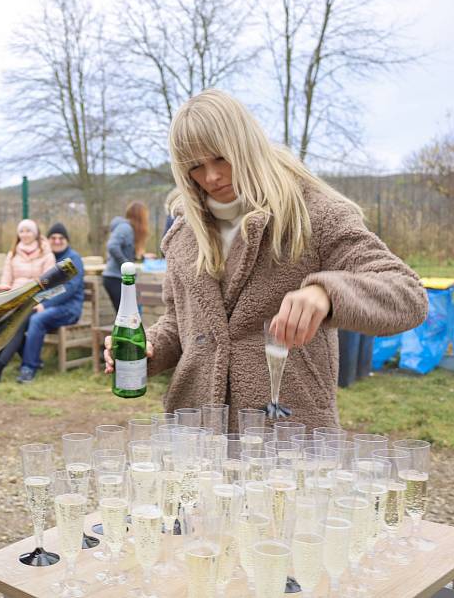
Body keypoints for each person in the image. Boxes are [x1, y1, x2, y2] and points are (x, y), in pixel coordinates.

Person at [105, 89, 427, 432]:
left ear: (246, 145)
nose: (211, 177)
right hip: (194, 435)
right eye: (196, 167)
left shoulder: (314, 213)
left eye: (221, 158)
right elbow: (179, 322)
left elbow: (407, 294)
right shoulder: (185, 233)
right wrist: (150, 346)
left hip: (287, 435)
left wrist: (327, 293)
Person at [15, 222, 85, 383]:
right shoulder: (47, 257)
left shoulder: (73, 259)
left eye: (61, 238)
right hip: (48, 306)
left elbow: (70, 288)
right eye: (53, 237)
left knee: (37, 320)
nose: (57, 241)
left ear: (67, 240)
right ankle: (29, 360)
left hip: (69, 308)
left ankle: (28, 369)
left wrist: (44, 305)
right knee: (18, 319)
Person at [0, 219, 55, 382]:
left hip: (33, 302)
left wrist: (39, 302)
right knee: (2, 327)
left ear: (36, 233)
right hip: (13, 301)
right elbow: (6, 280)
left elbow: (49, 283)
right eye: (22, 231)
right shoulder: (12, 253)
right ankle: (6, 360)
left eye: (29, 231)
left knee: (15, 328)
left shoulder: (47, 254)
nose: (25, 234)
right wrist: (4, 300)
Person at [102, 200, 149, 312]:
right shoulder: (125, 228)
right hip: (115, 278)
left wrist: (141, 257)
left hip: (120, 278)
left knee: (129, 316)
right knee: (128, 316)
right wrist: (126, 265)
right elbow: (112, 246)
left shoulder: (131, 230)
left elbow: (125, 250)